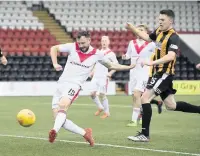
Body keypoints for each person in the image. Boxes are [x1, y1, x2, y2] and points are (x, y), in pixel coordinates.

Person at [49, 31, 136, 146]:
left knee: (63, 106)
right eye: (79, 43)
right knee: (58, 119)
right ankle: (85, 133)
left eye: (83, 43)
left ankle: (54, 131)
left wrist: (128, 67)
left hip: (74, 85)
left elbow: (111, 65)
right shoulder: (72, 47)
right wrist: (55, 64)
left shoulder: (97, 54)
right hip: (61, 84)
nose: (81, 46)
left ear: (89, 40)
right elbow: (54, 48)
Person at [126, 9, 200, 142]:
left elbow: (171, 56)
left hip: (164, 73)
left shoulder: (174, 37)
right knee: (171, 105)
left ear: (170, 21)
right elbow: (148, 38)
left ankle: (145, 134)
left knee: (144, 98)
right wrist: (132, 28)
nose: (159, 22)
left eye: (162, 20)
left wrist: (151, 62)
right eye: (159, 19)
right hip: (159, 73)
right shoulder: (159, 31)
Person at [122, 24, 163, 127]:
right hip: (133, 71)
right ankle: (142, 115)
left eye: (141, 30)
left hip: (144, 71)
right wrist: (125, 57)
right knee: (135, 96)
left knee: (137, 94)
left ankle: (133, 120)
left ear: (146, 33)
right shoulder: (132, 43)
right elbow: (128, 54)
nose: (138, 31)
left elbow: (162, 47)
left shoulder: (151, 44)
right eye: (137, 30)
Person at [90, 36, 118, 119]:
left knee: (102, 94)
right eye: (102, 41)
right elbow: (96, 63)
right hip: (96, 76)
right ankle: (100, 107)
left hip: (103, 77)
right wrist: (93, 71)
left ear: (108, 42)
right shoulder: (98, 52)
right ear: (101, 42)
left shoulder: (111, 54)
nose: (104, 42)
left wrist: (110, 73)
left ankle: (107, 112)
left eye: (105, 41)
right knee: (92, 93)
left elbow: (116, 65)